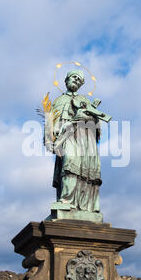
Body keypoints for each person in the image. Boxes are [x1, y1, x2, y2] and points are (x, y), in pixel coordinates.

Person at [49, 70, 105, 213]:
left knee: (85, 169)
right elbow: (51, 122)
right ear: (66, 80)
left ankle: (87, 206)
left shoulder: (85, 100)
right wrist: (50, 138)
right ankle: (66, 200)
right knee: (70, 163)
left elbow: (96, 120)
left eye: (80, 80)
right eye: (74, 77)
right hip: (67, 135)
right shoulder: (58, 101)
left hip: (85, 137)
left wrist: (90, 117)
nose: (76, 81)